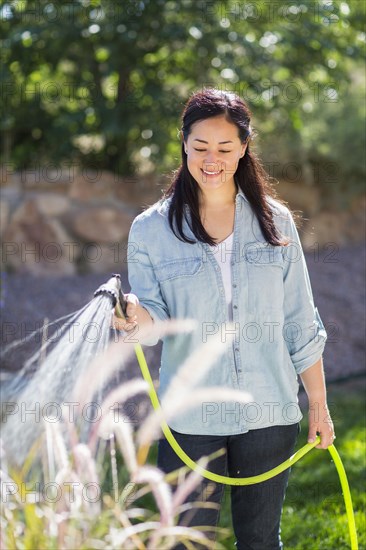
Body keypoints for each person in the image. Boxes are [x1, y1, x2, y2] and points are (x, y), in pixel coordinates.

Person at [113, 88, 335, 550]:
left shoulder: (276, 223)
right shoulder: (150, 230)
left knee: (259, 539)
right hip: (190, 416)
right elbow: (155, 322)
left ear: (244, 147)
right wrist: (134, 315)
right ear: (183, 145)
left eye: (224, 148)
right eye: (200, 147)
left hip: (269, 411)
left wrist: (318, 404)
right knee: (185, 540)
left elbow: (299, 319)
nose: (211, 159)